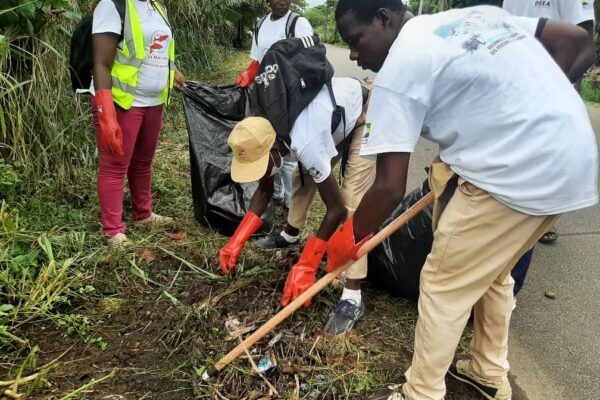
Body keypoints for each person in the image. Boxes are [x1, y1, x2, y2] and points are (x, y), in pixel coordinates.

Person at [322, 2, 597, 400]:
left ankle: (420, 393)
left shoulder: (399, 69)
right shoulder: (472, 17)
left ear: (383, 18)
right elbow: (578, 42)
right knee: (495, 272)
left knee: (443, 286)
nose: (353, 54)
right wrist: (525, 110)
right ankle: (486, 369)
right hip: (569, 161)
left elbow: (388, 187)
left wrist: (347, 240)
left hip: (513, 175)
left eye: (356, 40)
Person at [219, 77, 376, 335]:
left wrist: (307, 264)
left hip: (363, 117)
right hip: (331, 121)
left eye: (261, 165)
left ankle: (353, 294)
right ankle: (291, 234)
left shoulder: (306, 141)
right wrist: (237, 240)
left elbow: (334, 209)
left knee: (350, 201)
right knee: (301, 180)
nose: (261, 173)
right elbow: (265, 189)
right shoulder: (264, 131)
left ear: (273, 150)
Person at [91, 0, 186, 246]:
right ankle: (114, 231)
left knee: (143, 162)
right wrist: (106, 111)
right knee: (115, 165)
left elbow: (159, 49)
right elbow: (101, 63)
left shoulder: (158, 7)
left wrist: (171, 72)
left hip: (153, 100)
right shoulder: (113, 5)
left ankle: (143, 214)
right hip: (124, 100)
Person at [503, 0, 595, 245]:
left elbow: (585, 40)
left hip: (553, 82)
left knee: (541, 158)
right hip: (513, 82)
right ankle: (511, 215)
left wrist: (557, 88)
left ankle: (538, 219)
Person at [235, 0, 314, 211]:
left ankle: (292, 203)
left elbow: (311, 60)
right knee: (268, 144)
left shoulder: (298, 24)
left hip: (288, 96)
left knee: (287, 148)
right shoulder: (261, 24)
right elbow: (257, 62)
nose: (282, 1)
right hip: (264, 95)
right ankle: (277, 194)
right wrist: (247, 75)